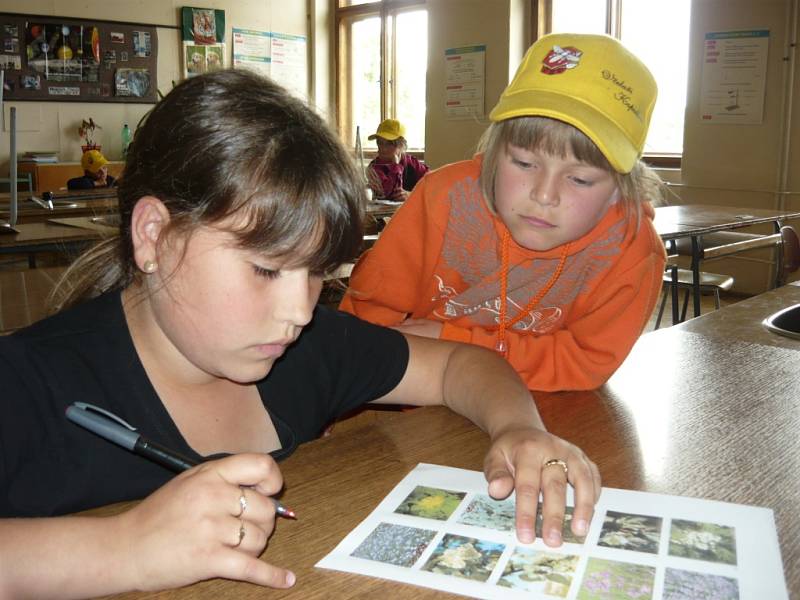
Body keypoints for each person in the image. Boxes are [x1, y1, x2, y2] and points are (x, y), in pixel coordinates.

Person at [0, 69, 600, 597]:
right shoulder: (27, 383)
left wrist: (518, 427)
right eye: (265, 268)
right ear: (154, 236)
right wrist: (124, 548)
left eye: (317, 273)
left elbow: (455, 366)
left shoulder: (308, 349)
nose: (299, 310)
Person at [340, 33, 667, 392]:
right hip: (409, 398)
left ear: (622, 188)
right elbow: (368, 313)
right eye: (524, 163)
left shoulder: (631, 250)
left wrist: (456, 344)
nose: (544, 194)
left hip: (533, 412)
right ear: (495, 150)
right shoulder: (443, 197)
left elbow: (586, 362)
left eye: (580, 179)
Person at [367, 118, 429, 201]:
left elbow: (432, 183)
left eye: (390, 144)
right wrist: (395, 166)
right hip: (384, 213)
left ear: (401, 145)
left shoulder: (411, 163)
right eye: (380, 143)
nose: (383, 149)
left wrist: (411, 194)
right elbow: (386, 193)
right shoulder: (374, 167)